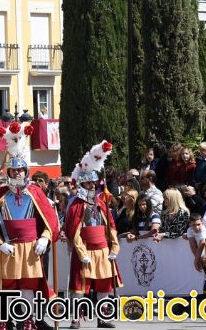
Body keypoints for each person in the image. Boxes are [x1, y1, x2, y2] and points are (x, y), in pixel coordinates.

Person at [0, 125, 59, 330]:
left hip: (31, 247)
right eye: (14, 169)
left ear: (26, 171)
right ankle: (5, 320)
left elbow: (50, 221)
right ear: (9, 171)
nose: (18, 172)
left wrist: (44, 238)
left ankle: (28, 320)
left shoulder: (35, 192)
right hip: (8, 248)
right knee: (7, 285)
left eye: (21, 169)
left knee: (28, 285)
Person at [64, 141, 121, 329]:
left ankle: (103, 318)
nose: (90, 185)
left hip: (103, 250)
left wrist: (114, 248)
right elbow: (74, 232)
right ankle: (76, 319)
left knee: (104, 285)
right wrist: (82, 253)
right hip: (86, 250)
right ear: (81, 183)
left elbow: (111, 227)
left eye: (92, 183)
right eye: (87, 182)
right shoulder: (76, 205)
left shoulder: (101, 202)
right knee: (80, 287)